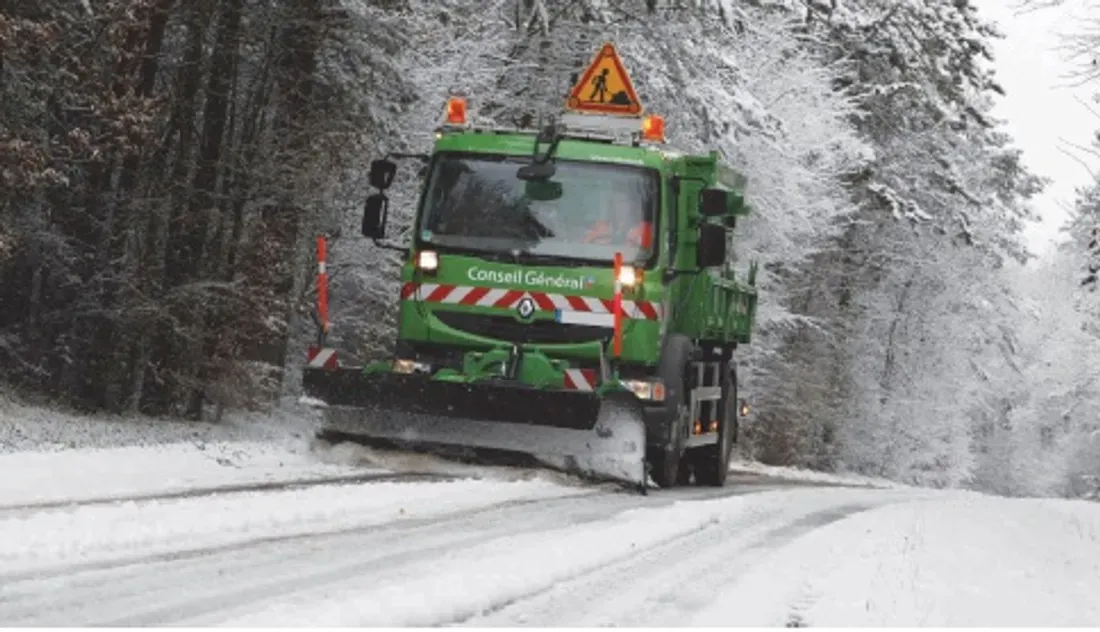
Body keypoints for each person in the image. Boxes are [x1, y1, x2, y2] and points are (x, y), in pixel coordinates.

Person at [583, 186, 653, 250]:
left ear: (632, 205)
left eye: (624, 202)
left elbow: (647, 251)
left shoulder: (642, 230)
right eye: (616, 202)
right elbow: (584, 246)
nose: (620, 206)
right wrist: (596, 242)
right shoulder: (600, 227)